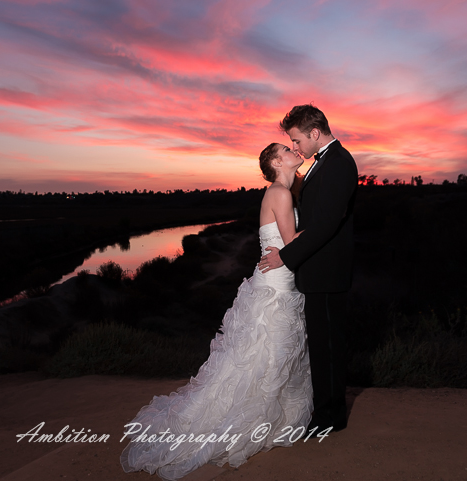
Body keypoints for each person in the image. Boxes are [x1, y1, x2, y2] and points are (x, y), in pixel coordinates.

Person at [120, 143, 313, 480]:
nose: (294, 149)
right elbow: (292, 240)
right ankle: (244, 423)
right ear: (276, 161)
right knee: (266, 354)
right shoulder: (280, 193)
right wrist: (331, 225)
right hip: (276, 288)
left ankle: (269, 419)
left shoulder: (284, 191)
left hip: (280, 283)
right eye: (287, 148)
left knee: (271, 355)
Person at [259, 104, 358, 435]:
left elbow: (327, 225)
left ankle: (330, 416)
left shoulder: (339, 164)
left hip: (328, 272)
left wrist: (286, 257)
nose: (297, 147)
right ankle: (326, 410)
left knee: (328, 346)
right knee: (321, 344)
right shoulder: (323, 163)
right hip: (318, 272)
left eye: (297, 140)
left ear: (315, 134)